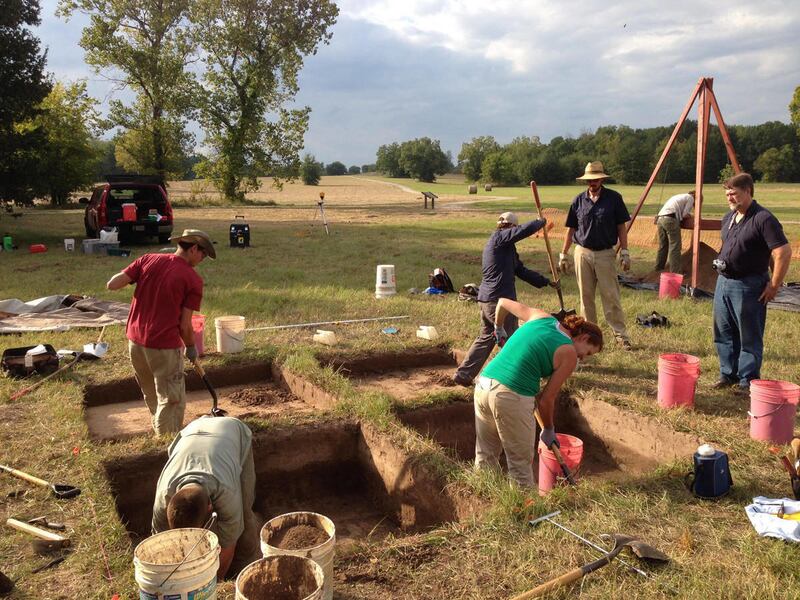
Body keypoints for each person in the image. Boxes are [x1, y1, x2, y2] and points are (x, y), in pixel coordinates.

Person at [474, 298, 603, 488]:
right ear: (583, 338)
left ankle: (482, 496)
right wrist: (549, 429)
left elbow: (502, 303)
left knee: (486, 454)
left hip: (484, 384)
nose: (582, 358)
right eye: (588, 353)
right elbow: (546, 400)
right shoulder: (568, 353)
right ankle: (525, 507)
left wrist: (498, 326)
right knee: (519, 465)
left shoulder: (541, 317)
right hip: (511, 396)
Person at [107, 229, 215, 435]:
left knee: (152, 394)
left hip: (135, 342)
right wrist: (191, 347)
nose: (202, 259)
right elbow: (185, 325)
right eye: (203, 254)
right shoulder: (192, 280)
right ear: (194, 249)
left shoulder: (147, 259)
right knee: (171, 400)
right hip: (163, 347)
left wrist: (140, 276)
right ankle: (167, 442)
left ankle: (159, 431)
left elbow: (112, 284)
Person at [152, 416, 260, 579]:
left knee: (243, 511)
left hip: (231, 432)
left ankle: (246, 561)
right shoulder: (162, 499)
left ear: (211, 507)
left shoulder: (227, 493)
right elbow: (159, 545)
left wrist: (214, 583)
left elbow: (228, 548)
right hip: (190, 432)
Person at [712, 173, 791, 391]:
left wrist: (774, 284)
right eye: (727, 194)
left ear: (748, 191)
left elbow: (782, 252)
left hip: (749, 285)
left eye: (734, 193)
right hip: (724, 282)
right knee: (723, 331)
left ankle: (747, 380)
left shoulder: (763, 219)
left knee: (749, 335)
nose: (729, 198)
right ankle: (727, 374)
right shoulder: (729, 217)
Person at [452, 211, 551, 386]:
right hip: (499, 301)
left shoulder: (507, 247)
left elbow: (521, 271)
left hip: (487, 300)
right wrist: (538, 222)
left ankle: (463, 375)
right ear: (509, 227)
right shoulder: (499, 238)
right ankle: (514, 378)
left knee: (486, 338)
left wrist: (545, 282)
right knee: (512, 340)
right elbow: (520, 231)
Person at [559, 161, 633, 350]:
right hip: (582, 253)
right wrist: (563, 253)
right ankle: (590, 336)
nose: (592, 182)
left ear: (601, 179)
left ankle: (621, 336)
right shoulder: (578, 200)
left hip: (605, 253)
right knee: (586, 297)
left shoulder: (614, 198)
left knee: (611, 295)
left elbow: (621, 226)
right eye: (589, 180)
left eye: (596, 179)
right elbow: (571, 229)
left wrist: (624, 251)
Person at [655, 190, 697, 274]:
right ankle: (675, 272)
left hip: (660, 219)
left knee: (663, 245)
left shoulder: (679, 196)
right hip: (670, 219)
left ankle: (658, 268)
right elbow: (685, 214)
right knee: (675, 247)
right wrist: (693, 216)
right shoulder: (691, 198)